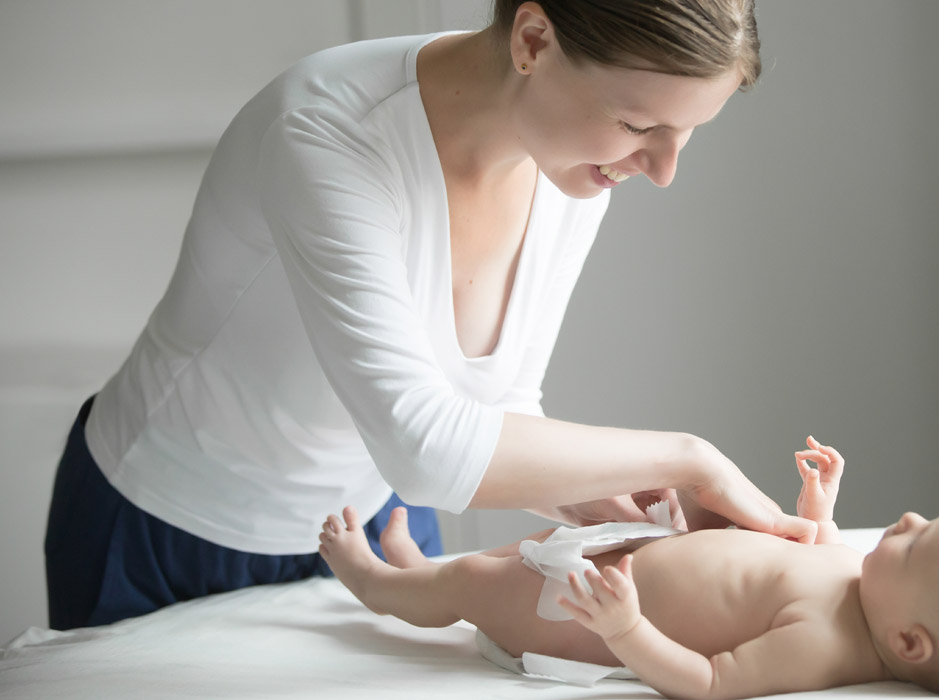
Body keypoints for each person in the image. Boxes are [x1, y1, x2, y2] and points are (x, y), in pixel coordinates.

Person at [44, 0, 815, 631]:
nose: (662, 170)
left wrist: (613, 510)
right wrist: (689, 458)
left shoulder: (573, 162)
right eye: (642, 127)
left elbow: (496, 407)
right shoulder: (327, 134)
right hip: (167, 533)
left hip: (377, 530)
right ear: (533, 41)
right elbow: (424, 445)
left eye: (685, 135)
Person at [319, 436, 939, 699]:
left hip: (590, 612)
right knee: (502, 556)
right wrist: (819, 504)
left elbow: (711, 683)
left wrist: (628, 630)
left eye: (921, 541)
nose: (907, 522)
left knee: (475, 589)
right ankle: (419, 566)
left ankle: (380, 585)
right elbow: (805, 548)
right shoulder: (861, 581)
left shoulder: (824, 642)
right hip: (632, 552)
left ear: (909, 643)